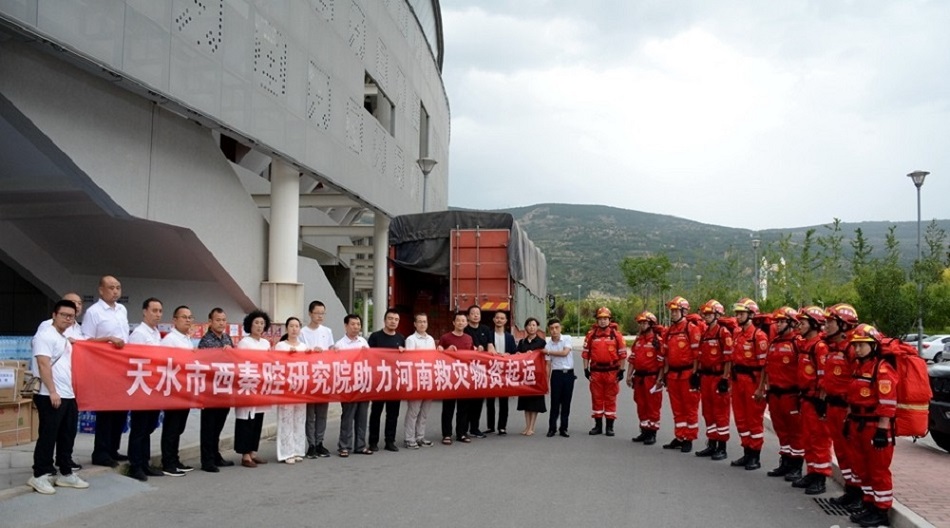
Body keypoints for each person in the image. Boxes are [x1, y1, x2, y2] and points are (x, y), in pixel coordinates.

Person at [28, 300, 90, 495]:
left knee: (67, 435)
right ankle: (40, 474)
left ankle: (65, 472)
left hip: (68, 395)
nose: (67, 319)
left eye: (71, 316)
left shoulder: (64, 338)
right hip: (50, 395)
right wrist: (53, 391)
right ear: (54, 315)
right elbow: (44, 364)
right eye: (64, 315)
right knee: (48, 435)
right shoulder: (44, 335)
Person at [845, 324, 898, 528]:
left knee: (878, 470)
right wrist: (847, 420)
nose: (857, 349)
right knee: (862, 467)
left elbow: (888, 402)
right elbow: (853, 396)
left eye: (862, 345)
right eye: (855, 345)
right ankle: (869, 504)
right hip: (858, 423)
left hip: (875, 426)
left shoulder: (882, 369)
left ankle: (881, 510)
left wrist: (882, 430)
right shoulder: (859, 367)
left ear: (873, 346)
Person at [83, 275, 129, 468]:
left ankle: (113, 449)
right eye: (111, 287)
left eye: (118, 287)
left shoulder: (122, 310)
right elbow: (86, 341)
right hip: (103, 368)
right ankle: (100, 452)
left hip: (122, 367)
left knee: (120, 411)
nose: (115, 291)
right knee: (106, 412)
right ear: (101, 290)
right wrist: (108, 340)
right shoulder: (93, 312)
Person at [756, 307, 805, 481]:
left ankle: (796, 466)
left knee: (795, 432)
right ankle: (785, 462)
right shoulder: (774, 342)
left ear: (792, 323)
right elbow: (766, 368)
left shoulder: (797, 343)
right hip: (775, 394)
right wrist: (762, 388)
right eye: (777, 322)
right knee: (782, 431)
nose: (778, 325)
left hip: (791, 395)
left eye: (783, 321)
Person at [823, 303, 863, 510]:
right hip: (833, 406)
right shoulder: (833, 348)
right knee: (840, 450)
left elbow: (857, 382)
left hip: (847, 409)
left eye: (830, 322)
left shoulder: (851, 350)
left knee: (852, 451)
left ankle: (858, 493)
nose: (826, 326)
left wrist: (850, 410)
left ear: (843, 324)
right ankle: (850, 489)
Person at [792, 306, 832, 495]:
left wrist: (822, 400)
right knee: (807, 437)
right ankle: (811, 471)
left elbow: (823, 377)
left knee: (819, 439)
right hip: (806, 398)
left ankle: (820, 477)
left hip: (816, 399)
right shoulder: (805, 345)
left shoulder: (820, 347)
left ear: (814, 325)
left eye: (804, 322)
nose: (799, 325)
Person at [125, 298, 165, 481]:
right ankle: (135, 465)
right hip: (142, 386)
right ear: (144, 312)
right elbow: (134, 361)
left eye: (159, 311)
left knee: (149, 427)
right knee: (139, 428)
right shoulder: (139, 334)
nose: (157, 315)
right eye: (154, 310)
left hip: (154, 386)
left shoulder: (156, 333)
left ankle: (145, 462)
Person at [657, 296, 702, 453]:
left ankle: (689, 438)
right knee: (677, 408)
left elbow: (697, 355)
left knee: (690, 408)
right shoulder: (669, 331)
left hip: (688, 374)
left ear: (684, 311)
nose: (673, 314)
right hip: (673, 376)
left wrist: (696, 374)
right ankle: (680, 436)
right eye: (672, 311)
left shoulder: (691, 329)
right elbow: (666, 355)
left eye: (676, 311)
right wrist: (664, 375)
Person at [729, 298, 769, 470]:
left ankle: (755, 455)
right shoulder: (737, 333)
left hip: (753, 382)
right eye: (737, 313)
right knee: (740, 418)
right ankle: (746, 451)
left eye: (742, 313)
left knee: (753, 419)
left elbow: (763, 367)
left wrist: (761, 388)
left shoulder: (758, 336)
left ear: (751, 315)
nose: (738, 316)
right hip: (738, 381)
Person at [159, 305, 197, 477]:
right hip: (174, 390)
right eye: (184, 317)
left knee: (179, 427)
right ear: (174, 320)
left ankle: (174, 459)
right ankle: (167, 462)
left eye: (190, 317)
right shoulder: (170, 339)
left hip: (185, 390)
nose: (188, 320)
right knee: (171, 428)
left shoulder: (187, 339)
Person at [694, 301, 733, 460]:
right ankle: (711, 443)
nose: (706, 317)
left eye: (709, 314)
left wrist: (725, 378)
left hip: (718, 377)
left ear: (717, 315)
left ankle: (722, 447)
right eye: (705, 314)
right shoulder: (705, 333)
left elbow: (728, 358)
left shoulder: (723, 333)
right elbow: (700, 356)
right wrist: (696, 374)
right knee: (708, 411)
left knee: (720, 412)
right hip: (706, 376)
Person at [199, 307, 235, 473]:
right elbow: (205, 364)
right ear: (210, 322)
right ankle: (207, 460)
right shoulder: (206, 341)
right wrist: (222, 354)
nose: (221, 323)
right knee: (208, 427)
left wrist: (231, 353)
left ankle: (215, 455)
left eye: (223, 320)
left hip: (225, 389)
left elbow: (235, 360)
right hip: (210, 391)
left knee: (218, 426)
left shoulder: (227, 338)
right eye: (218, 320)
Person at [234, 310, 272, 468]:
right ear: (250, 324)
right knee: (246, 420)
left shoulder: (266, 344)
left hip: (261, 386)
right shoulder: (244, 343)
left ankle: (253, 452)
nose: (259, 326)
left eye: (262, 323)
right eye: (256, 322)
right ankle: (245, 455)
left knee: (257, 420)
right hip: (248, 384)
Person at [582, 307, 626, 436]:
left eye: (605, 319)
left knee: (610, 398)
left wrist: (622, 371)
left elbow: (622, 355)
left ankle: (609, 427)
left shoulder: (616, 335)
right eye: (600, 319)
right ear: (597, 320)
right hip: (596, 371)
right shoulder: (591, 335)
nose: (602, 321)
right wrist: (586, 369)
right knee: (596, 399)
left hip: (612, 371)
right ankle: (598, 426)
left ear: (609, 320)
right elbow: (586, 354)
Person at [368, 308, 406, 452]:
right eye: (390, 319)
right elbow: (369, 357)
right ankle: (373, 442)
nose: (393, 322)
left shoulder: (401, 338)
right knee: (376, 413)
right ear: (385, 320)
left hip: (395, 382)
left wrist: (403, 353)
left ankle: (390, 441)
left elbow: (406, 361)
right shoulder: (375, 337)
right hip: (379, 381)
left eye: (396, 319)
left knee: (393, 414)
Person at [300, 300, 333, 458]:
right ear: (310, 314)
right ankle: (311, 444)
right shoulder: (302, 332)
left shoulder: (327, 331)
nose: (320, 316)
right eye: (317, 313)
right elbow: (299, 353)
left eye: (322, 313)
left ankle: (320, 442)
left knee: (322, 412)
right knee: (310, 413)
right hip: (309, 376)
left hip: (324, 375)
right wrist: (312, 352)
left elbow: (332, 351)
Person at [335, 313, 372, 457]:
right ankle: (344, 446)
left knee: (362, 417)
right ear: (346, 326)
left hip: (363, 384)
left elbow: (370, 360)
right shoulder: (340, 344)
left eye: (358, 324)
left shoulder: (363, 342)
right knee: (348, 416)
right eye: (353, 324)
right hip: (348, 385)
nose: (356, 327)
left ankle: (360, 445)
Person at [626, 311, 664, 446]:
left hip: (652, 378)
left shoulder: (657, 341)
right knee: (641, 404)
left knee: (653, 405)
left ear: (651, 324)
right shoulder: (638, 340)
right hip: (639, 377)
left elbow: (661, 363)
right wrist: (629, 375)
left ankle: (652, 432)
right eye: (640, 323)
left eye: (645, 322)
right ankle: (644, 430)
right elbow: (632, 359)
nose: (642, 325)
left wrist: (660, 379)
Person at [275, 317, 309, 464]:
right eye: (291, 326)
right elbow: (275, 365)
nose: (294, 329)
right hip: (286, 387)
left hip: (300, 387)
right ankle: (286, 452)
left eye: (297, 326)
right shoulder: (281, 346)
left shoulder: (304, 347)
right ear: (286, 329)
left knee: (299, 419)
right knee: (286, 419)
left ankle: (297, 449)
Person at [438, 312, 475, 445]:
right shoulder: (445, 337)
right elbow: (439, 352)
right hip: (450, 376)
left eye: (463, 321)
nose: (460, 323)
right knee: (448, 407)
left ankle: (462, 433)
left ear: (466, 323)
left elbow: (472, 355)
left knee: (463, 408)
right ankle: (446, 434)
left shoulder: (469, 338)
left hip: (464, 376)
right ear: (453, 323)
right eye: (458, 320)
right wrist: (447, 349)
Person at [403, 313, 436, 449]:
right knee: (413, 411)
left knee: (424, 412)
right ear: (415, 324)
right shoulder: (411, 339)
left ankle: (420, 436)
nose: (422, 324)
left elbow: (434, 359)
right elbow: (410, 360)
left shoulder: (431, 339)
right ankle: (409, 438)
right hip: (416, 380)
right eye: (420, 322)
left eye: (425, 321)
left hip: (428, 380)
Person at [463, 305, 494, 438]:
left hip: (482, 370)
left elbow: (491, 346)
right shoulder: (464, 330)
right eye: (473, 313)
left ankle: (475, 428)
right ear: (468, 316)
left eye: (478, 313)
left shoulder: (486, 329)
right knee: (466, 402)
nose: (476, 315)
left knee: (478, 401)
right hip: (466, 370)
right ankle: (463, 429)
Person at [486, 311, 516, 435]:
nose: (499, 320)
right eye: (497, 318)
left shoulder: (509, 337)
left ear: (505, 321)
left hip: (504, 373)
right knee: (490, 401)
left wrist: (508, 355)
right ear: (493, 320)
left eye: (502, 318)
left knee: (504, 401)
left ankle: (502, 426)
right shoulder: (488, 335)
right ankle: (491, 426)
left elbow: (514, 353)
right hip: (490, 372)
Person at [516, 317, 547, 436]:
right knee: (525, 402)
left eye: (534, 325)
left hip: (536, 376)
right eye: (529, 325)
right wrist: (520, 354)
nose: (531, 327)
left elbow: (544, 358)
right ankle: (526, 425)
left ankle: (532, 427)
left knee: (534, 403)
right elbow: (516, 355)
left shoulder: (541, 342)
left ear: (537, 327)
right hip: (524, 376)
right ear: (526, 327)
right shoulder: (522, 342)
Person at [544, 318, 574, 437]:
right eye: (551, 328)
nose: (554, 330)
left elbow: (565, 353)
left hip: (569, 374)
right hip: (556, 375)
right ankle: (552, 428)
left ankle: (564, 428)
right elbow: (548, 364)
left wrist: (548, 352)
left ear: (560, 328)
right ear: (549, 330)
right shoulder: (548, 344)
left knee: (566, 402)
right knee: (555, 403)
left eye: (556, 328)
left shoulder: (567, 338)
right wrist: (547, 381)